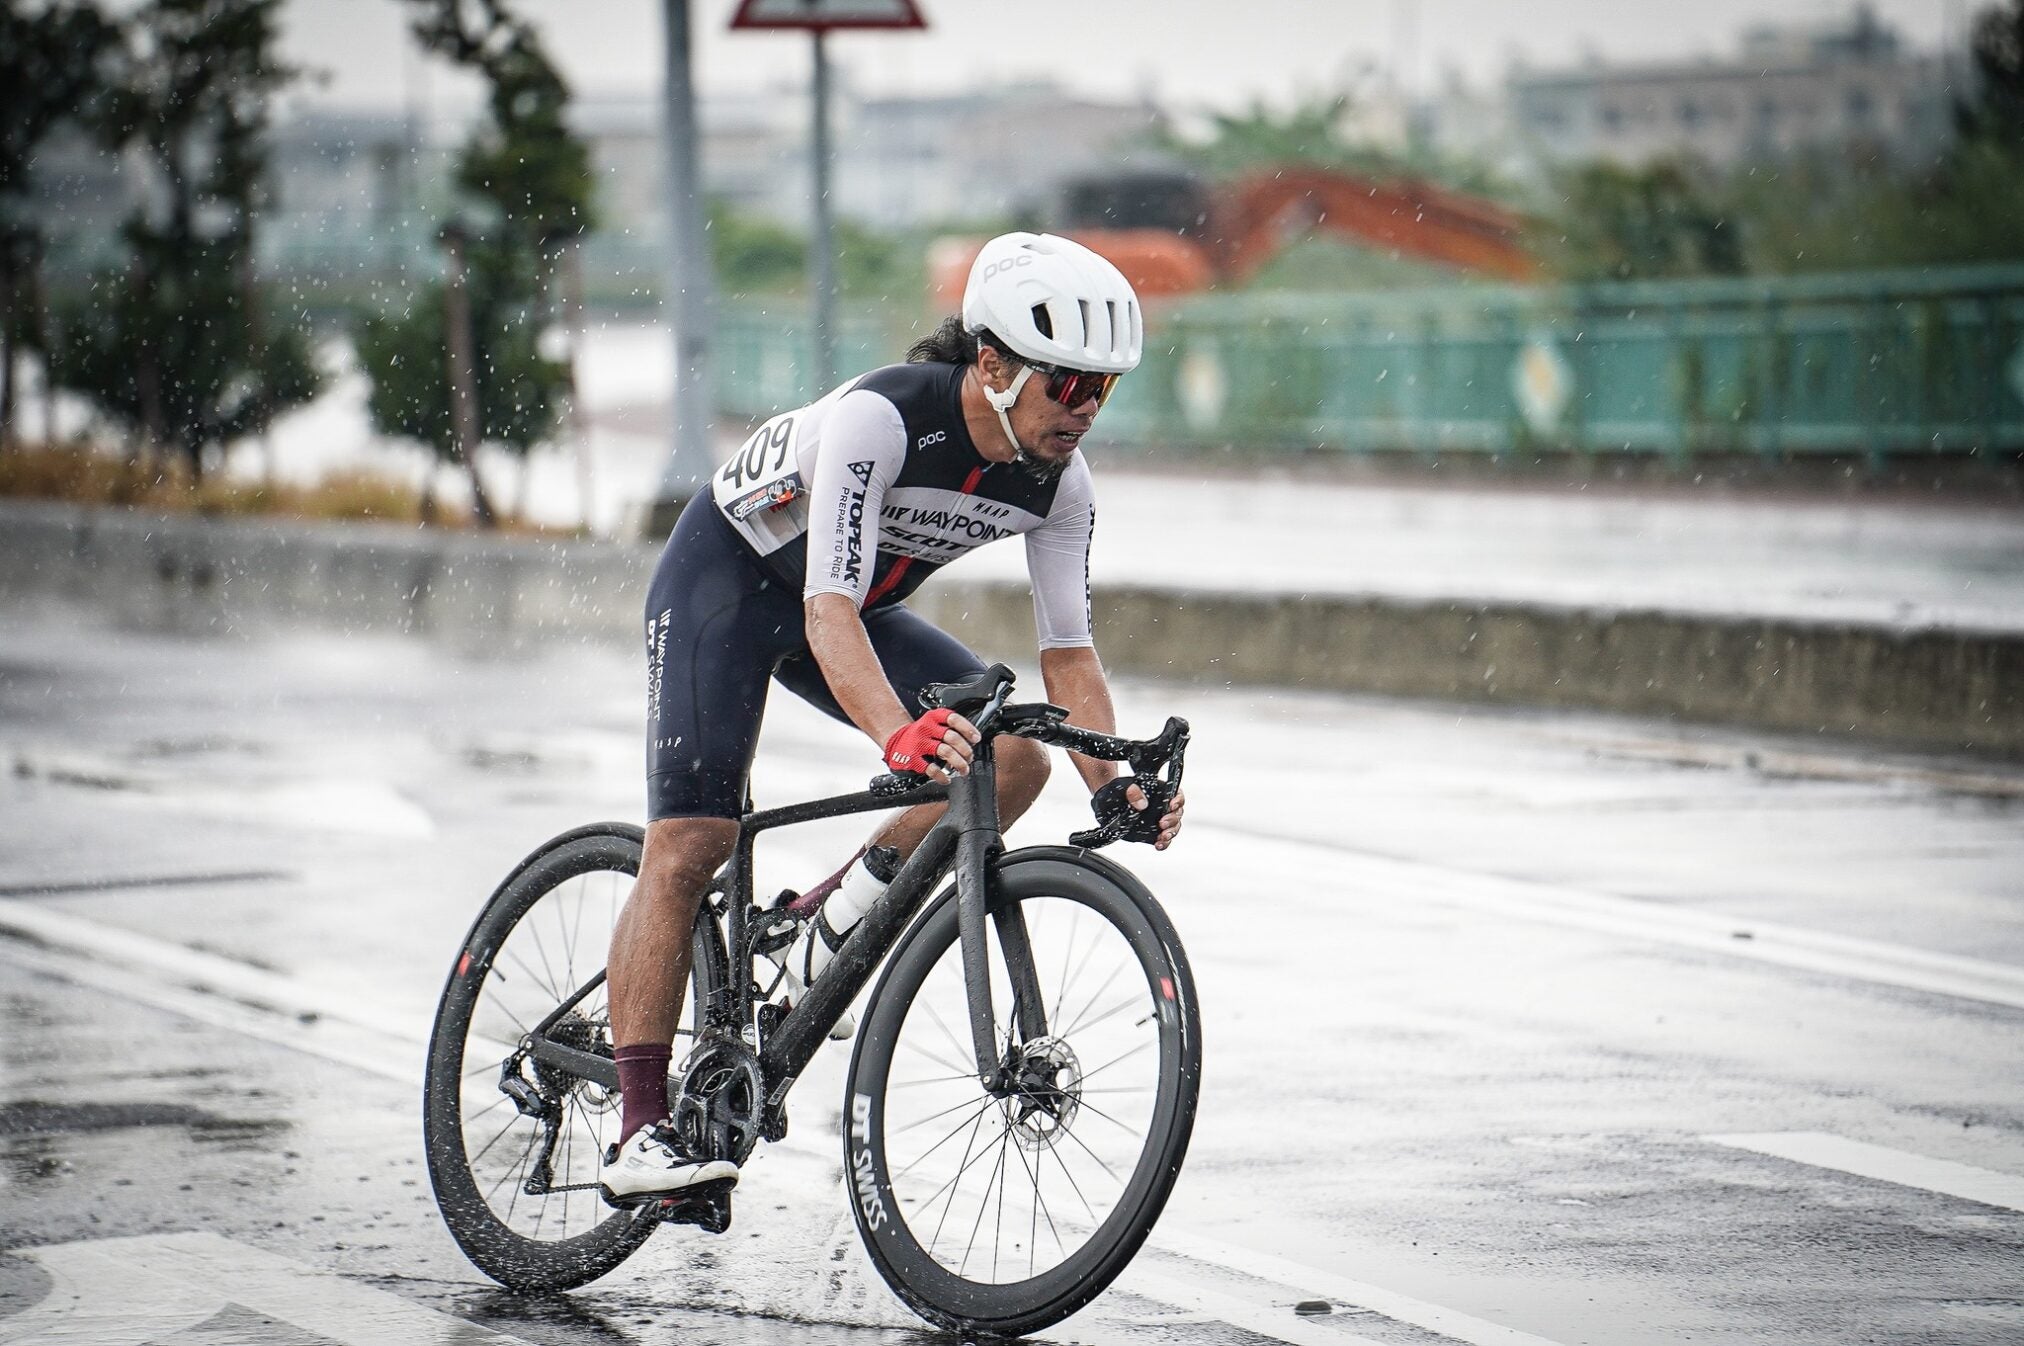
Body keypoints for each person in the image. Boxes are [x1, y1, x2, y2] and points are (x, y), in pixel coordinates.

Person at [598, 231, 1186, 1209]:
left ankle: (824, 926)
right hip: (726, 584)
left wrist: (1115, 785)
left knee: (1011, 760)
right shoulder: (883, 420)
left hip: (846, 607)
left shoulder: (1060, 483)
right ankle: (639, 1127)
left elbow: (1069, 654)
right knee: (693, 840)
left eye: (1105, 389)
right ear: (992, 365)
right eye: (1069, 384)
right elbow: (826, 608)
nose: (1085, 409)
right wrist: (893, 735)